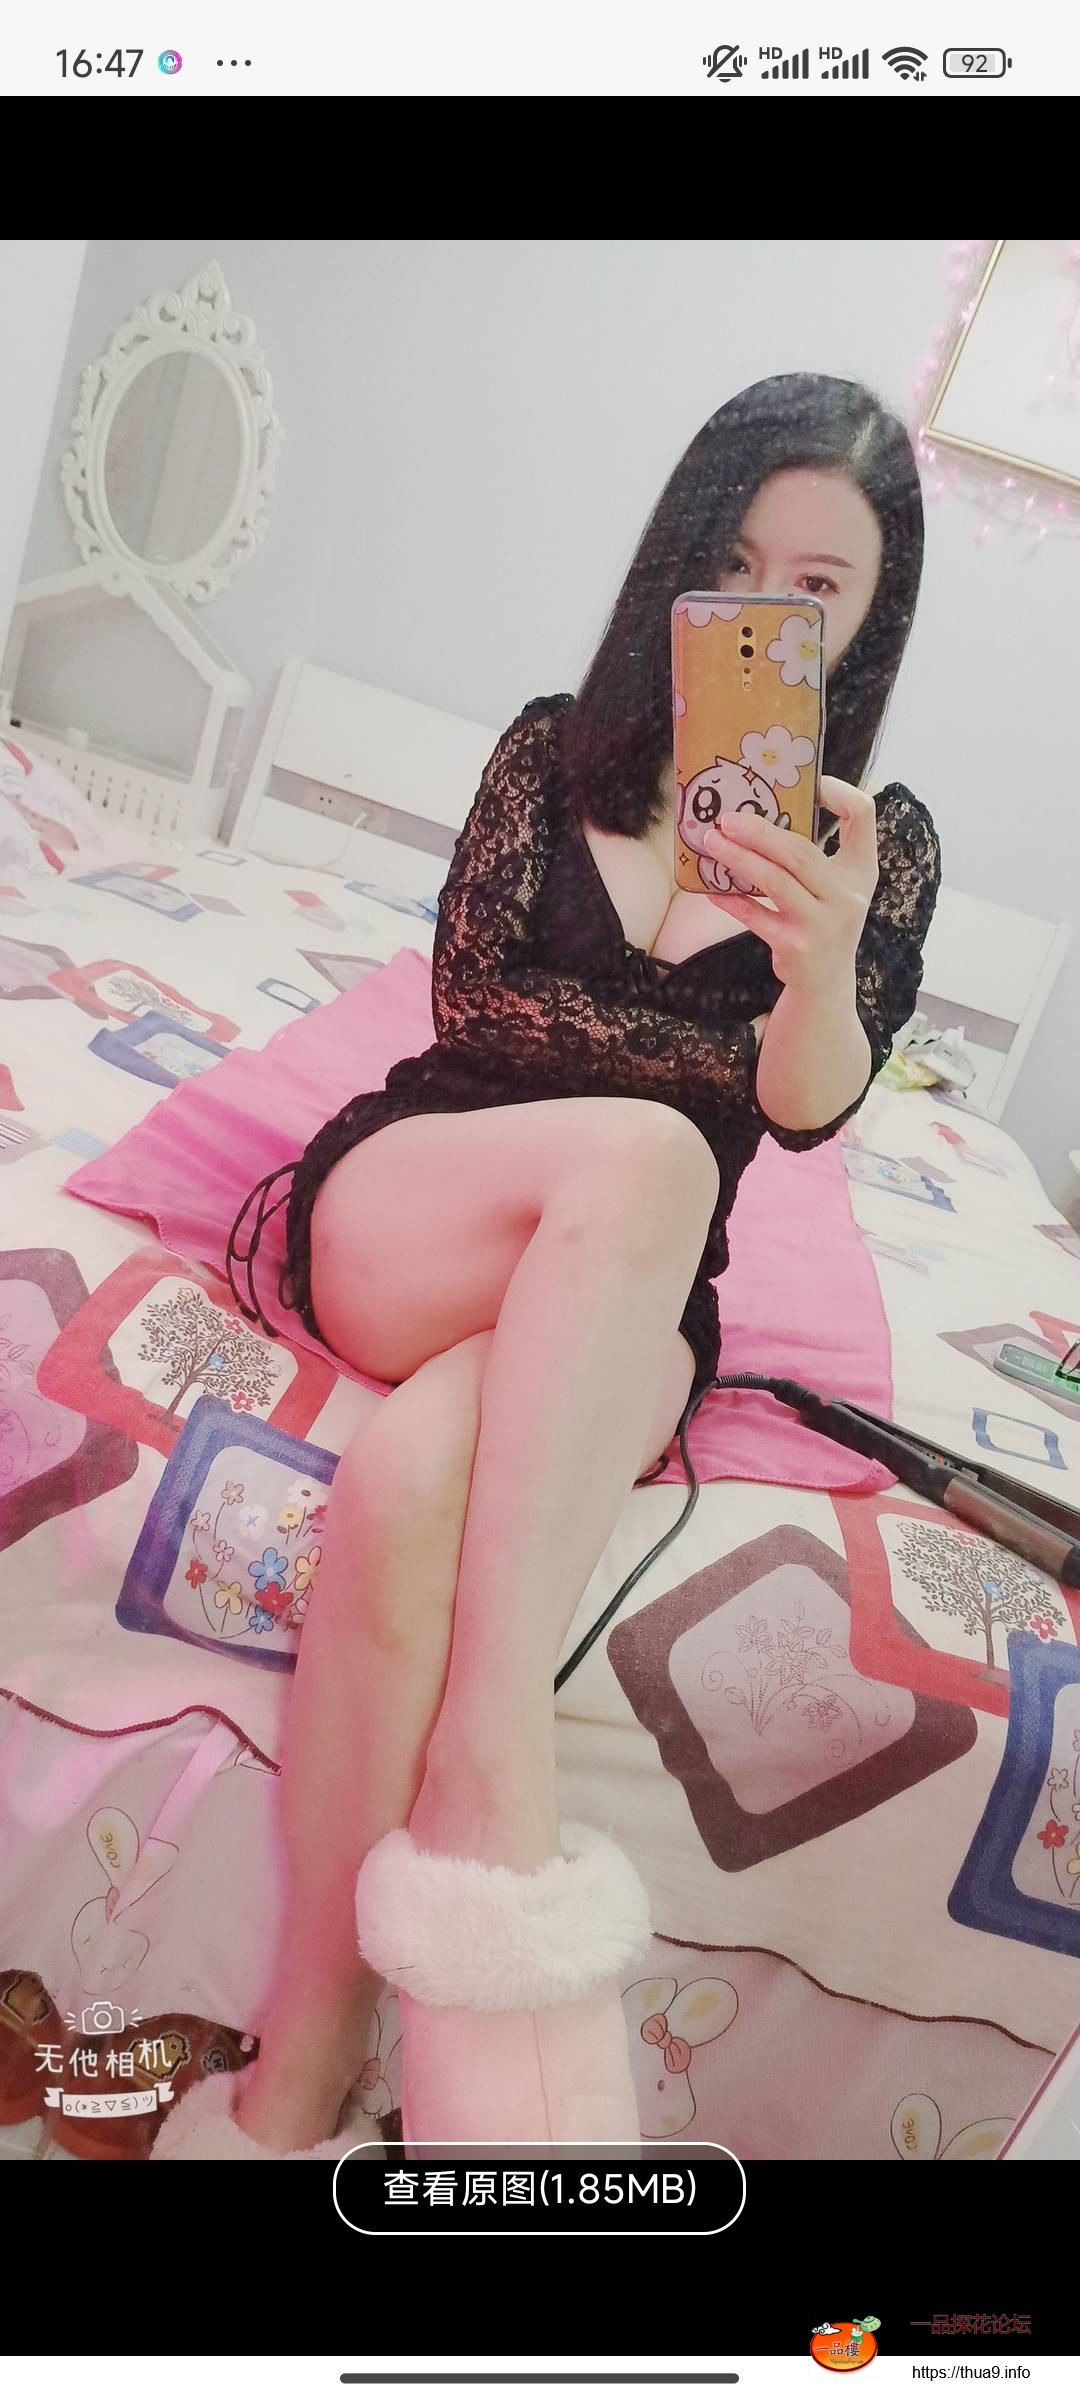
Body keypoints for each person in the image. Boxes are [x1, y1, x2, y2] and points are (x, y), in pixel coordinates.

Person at [154, 373, 941, 2160]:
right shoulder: (554, 754)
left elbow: (804, 1112)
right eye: (739, 562)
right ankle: (493, 1759)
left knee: (408, 1486)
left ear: (871, 615)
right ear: (682, 558)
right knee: (655, 1151)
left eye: (819, 585)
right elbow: (478, 1010)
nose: (770, 607)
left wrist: (814, 966)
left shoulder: (870, 851)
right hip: (425, 1204)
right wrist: (683, 1074)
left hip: (630, 1295)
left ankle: (298, 2070)